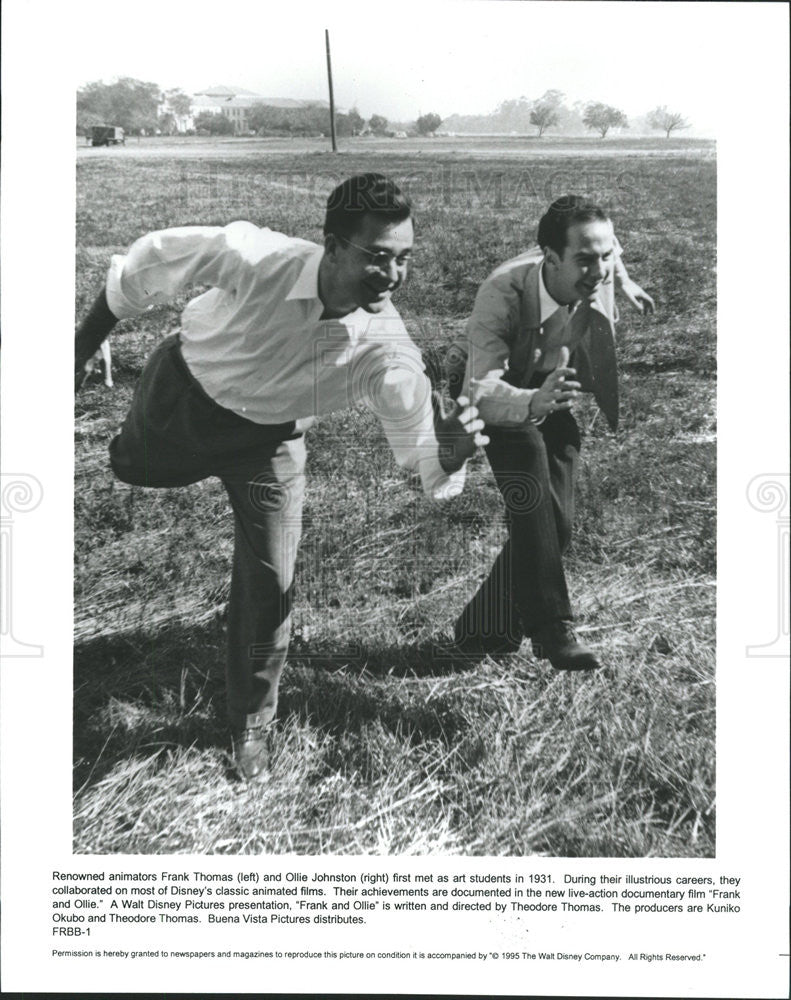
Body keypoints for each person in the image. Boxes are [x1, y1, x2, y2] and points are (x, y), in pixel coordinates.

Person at [74, 173, 487, 779]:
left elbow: (419, 449)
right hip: (186, 395)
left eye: (404, 260)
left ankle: (250, 725)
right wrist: (79, 348)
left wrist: (449, 453)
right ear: (333, 244)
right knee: (130, 467)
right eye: (378, 257)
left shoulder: (387, 349)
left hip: (270, 442)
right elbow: (147, 264)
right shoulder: (258, 256)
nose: (393, 276)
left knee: (272, 578)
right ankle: (135, 448)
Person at [447, 194, 655, 671]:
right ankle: (551, 629)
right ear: (550, 257)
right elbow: (479, 389)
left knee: (553, 523)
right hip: (497, 396)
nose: (597, 270)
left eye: (603, 258)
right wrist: (529, 403)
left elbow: (610, 246)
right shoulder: (501, 294)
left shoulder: (595, 263)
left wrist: (624, 279)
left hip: (548, 385)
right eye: (585, 260)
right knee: (533, 499)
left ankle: (482, 629)